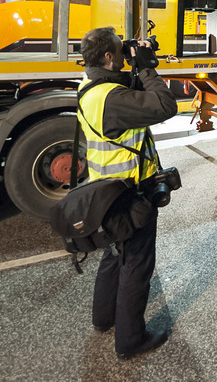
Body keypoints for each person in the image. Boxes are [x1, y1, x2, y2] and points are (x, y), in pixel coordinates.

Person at [78, 27, 178, 359]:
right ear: (108, 58)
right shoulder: (113, 99)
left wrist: (136, 61)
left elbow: (129, 91)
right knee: (136, 264)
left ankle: (103, 319)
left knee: (112, 256)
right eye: (121, 51)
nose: (124, 54)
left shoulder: (92, 88)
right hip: (129, 195)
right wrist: (148, 67)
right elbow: (165, 106)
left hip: (105, 194)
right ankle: (131, 340)